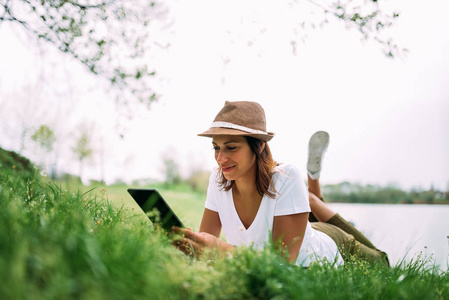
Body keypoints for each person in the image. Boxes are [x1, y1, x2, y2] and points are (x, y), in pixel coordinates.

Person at [174, 101, 389, 267]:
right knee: (305, 203)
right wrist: (193, 246)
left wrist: (223, 252)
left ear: (258, 147)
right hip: (296, 228)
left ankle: (312, 182)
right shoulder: (218, 179)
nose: (221, 158)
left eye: (231, 148)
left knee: (382, 261)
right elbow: (205, 246)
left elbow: (283, 265)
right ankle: (310, 193)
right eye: (216, 148)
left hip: (332, 243)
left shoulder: (286, 177)